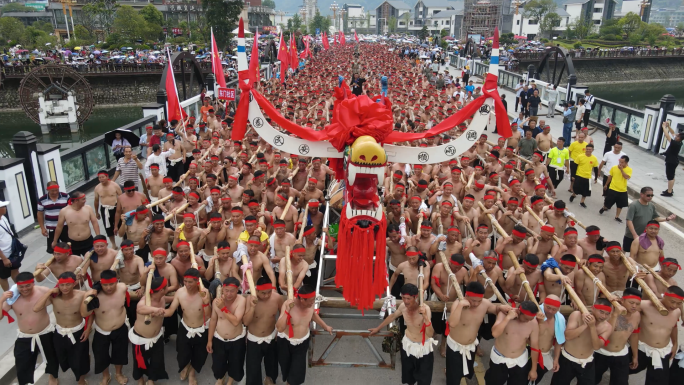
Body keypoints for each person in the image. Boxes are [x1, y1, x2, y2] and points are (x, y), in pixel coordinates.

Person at [369, 283, 435, 385]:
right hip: (408, 346)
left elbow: (430, 334)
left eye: (408, 298)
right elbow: (392, 316)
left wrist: (425, 317)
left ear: (415, 297)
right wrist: (378, 328)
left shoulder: (425, 309)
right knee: (409, 378)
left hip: (423, 348)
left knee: (424, 380)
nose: (405, 301)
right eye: (403, 298)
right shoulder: (403, 307)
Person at [1, 272, 59, 385]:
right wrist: (1, 299)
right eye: (21, 287)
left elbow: (59, 302)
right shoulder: (12, 297)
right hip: (25, 335)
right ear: (17, 286)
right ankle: (25, 382)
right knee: (22, 363)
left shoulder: (43, 291)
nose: (24, 289)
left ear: (33, 283)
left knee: (52, 358)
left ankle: (53, 377)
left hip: (45, 332)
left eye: (28, 285)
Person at [33, 272, 90, 385]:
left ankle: (82, 380)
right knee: (62, 358)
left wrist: (88, 329)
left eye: (68, 284)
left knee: (80, 360)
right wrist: (49, 292)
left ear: (74, 284)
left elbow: (91, 312)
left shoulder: (82, 295)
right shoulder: (54, 298)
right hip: (60, 332)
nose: (65, 288)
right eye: (62, 285)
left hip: (78, 331)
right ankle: (55, 375)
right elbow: (36, 308)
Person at [551, 298, 617, 385]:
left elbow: (597, 346)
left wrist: (592, 327)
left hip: (587, 362)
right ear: (593, 308)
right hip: (567, 359)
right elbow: (567, 336)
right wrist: (585, 325)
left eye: (607, 314)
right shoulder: (577, 315)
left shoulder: (607, 327)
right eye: (601, 312)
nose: (603, 316)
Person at [276, 285, 333, 385]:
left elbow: (313, 315)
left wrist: (325, 326)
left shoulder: (310, 306)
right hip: (285, 342)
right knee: (286, 368)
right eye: (311, 301)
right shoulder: (288, 304)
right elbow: (279, 328)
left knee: (297, 372)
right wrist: (287, 311)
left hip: (302, 343)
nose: (313, 303)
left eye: (313, 299)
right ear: (302, 300)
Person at [81, 269, 130, 385]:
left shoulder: (122, 288)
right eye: (105, 285)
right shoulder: (94, 296)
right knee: (101, 356)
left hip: (120, 328)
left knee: (120, 353)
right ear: (101, 284)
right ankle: (106, 375)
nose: (108, 288)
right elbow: (85, 314)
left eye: (111, 284)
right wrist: (86, 297)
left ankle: (119, 373)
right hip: (102, 330)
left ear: (117, 282)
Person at [628, 286, 683, 384]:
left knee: (659, 381)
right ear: (664, 296)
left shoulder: (677, 311)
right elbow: (628, 305)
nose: (674, 306)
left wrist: (675, 343)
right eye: (672, 302)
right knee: (622, 371)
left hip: (663, 352)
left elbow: (673, 327)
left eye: (678, 303)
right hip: (642, 348)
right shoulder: (645, 305)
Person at [165, 268, 211, 385]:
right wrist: (156, 311)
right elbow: (170, 311)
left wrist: (205, 302)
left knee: (199, 354)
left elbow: (209, 315)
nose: (187, 284)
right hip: (185, 327)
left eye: (190, 282)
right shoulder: (180, 292)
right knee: (182, 353)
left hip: (201, 328)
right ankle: (185, 367)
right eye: (185, 281)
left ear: (197, 281)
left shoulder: (204, 292)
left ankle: (192, 374)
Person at [484, 300, 540, 385]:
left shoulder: (533, 323)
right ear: (519, 311)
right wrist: (508, 318)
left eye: (530, 319)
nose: (527, 321)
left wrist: (533, 369)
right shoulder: (503, 314)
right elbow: (495, 333)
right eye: (526, 318)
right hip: (499, 358)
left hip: (520, 360)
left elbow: (535, 346)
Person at [593, 288, 640, 385]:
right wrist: (615, 314)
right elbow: (606, 331)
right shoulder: (609, 312)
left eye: (637, 304)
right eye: (631, 303)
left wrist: (635, 356)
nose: (634, 306)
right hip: (601, 352)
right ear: (622, 300)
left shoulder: (637, 315)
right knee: (591, 380)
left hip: (621, 354)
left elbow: (634, 335)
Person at [244, 277, 284, 385]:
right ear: (256, 290)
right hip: (254, 338)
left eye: (269, 292)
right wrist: (252, 307)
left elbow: (283, 315)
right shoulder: (250, 299)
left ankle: (269, 380)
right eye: (263, 293)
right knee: (253, 370)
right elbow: (246, 322)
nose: (266, 295)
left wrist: (279, 331)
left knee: (272, 366)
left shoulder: (277, 298)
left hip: (271, 337)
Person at [130, 277, 169, 385]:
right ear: (162, 290)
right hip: (141, 338)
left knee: (156, 360)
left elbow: (171, 299)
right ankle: (140, 379)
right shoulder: (145, 300)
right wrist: (156, 310)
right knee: (139, 361)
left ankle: (151, 379)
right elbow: (140, 308)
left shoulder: (162, 297)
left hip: (157, 336)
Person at [623, 186, 676, 252]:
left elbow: (656, 218)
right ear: (641, 194)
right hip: (631, 235)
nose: (650, 197)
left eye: (652, 195)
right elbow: (629, 220)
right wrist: (635, 235)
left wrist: (667, 218)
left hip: (645, 236)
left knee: (640, 253)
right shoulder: (634, 205)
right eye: (648, 195)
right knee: (625, 251)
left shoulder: (651, 206)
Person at [53, 191, 100, 256]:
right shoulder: (64, 211)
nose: (85, 201)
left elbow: (95, 223)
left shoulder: (88, 208)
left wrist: (98, 237)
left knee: (92, 261)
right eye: (83, 199)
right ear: (76, 201)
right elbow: (59, 227)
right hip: (72, 242)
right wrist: (55, 240)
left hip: (88, 240)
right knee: (75, 263)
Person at [37, 181, 70, 253]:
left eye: (56, 190)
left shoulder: (66, 196)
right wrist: (42, 228)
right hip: (51, 227)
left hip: (65, 226)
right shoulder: (42, 199)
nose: (55, 192)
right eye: (52, 191)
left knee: (68, 246)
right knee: (53, 249)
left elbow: (71, 210)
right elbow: (40, 213)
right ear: (48, 190)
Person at [600, 155, 632, 222]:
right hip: (613, 188)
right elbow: (610, 177)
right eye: (620, 162)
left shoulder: (629, 169)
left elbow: (626, 177)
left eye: (622, 162)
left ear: (626, 163)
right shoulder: (614, 167)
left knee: (620, 205)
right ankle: (604, 207)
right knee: (608, 202)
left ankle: (617, 216)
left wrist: (621, 170)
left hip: (622, 190)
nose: (620, 164)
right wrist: (606, 185)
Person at [659, 121, 683, 197]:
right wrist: (668, 127)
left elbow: (667, 135)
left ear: (680, 139)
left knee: (670, 177)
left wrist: (664, 127)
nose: (675, 136)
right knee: (671, 176)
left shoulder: (675, 143)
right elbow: (672, 133)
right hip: (673, 161)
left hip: (671, 161)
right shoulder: (679, 142)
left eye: (677, 136)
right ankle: (670, 189)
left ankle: (669, 192)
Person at [0, 201, 20, 290]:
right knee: (3, 276)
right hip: (3, 256)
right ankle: (7, 294)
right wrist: (4, 258)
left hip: (12, 251)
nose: (5, 208)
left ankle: (20, 288)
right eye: (3, 206)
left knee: (15, 270)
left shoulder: (3, 218)